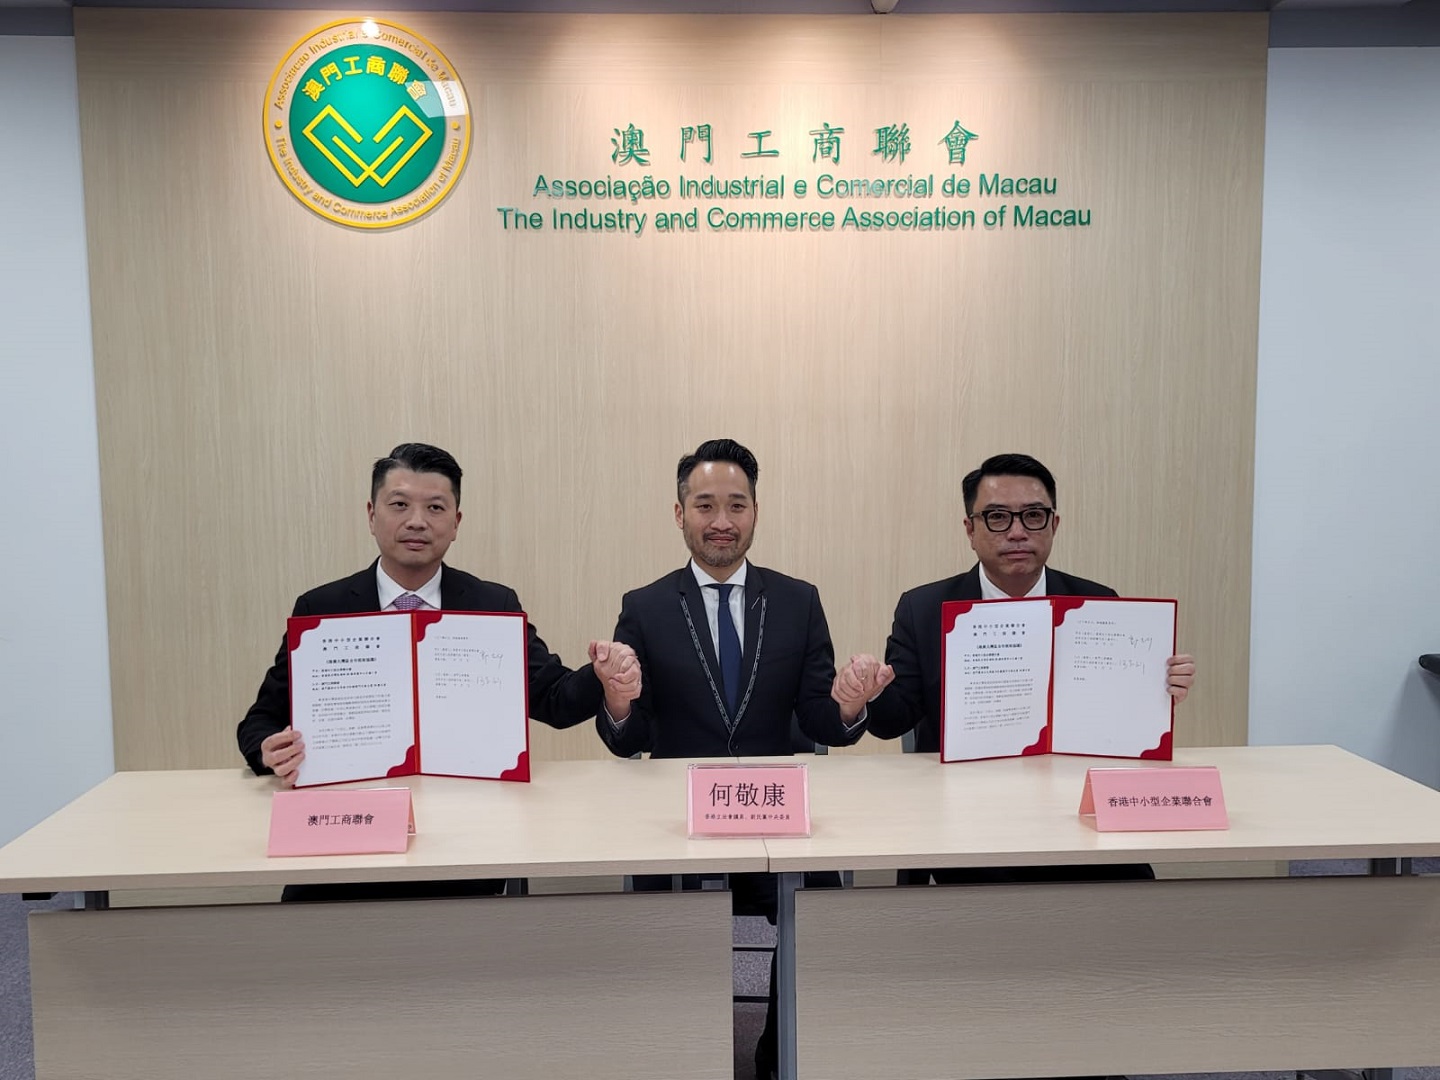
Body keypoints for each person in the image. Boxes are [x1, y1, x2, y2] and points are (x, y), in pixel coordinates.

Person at [237, 442, 641, 899]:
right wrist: (268, 751)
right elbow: (259, 722)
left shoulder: (491, 604)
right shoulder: (322, 608)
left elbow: (553, 699)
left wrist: (601, 675)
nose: (417, 521)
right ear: (371, 515)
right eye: (399, 505)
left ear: (456, 522)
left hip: (462, 840)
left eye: (435, 507)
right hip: (346, 845)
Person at [595, 437, 874, 1080]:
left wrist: (849, 705)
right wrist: (616, 698)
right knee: (652, 924)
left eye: (736, 505)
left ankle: (781, 1053)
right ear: (679, 513)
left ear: (755, 512)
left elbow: (818, 719)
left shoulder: (798, 600)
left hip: (776, 814)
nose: (721, 521)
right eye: (705, 505)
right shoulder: (646, 606)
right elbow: (627, 736)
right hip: (679, 821)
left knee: (825, 915)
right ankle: (679, 1054)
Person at [863, 452, 1196, 885]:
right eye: (997, 517)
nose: (1017, 532)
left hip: (1074, 809)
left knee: (1131, 896)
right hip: (967, 816)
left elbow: (1119, 724)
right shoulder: (923, 608)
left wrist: (1158, 688)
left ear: (1054, 525)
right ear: (970, 530)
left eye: (1033, 516)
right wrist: (869, 693)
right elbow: (892, 721)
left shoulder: (1099, 603)